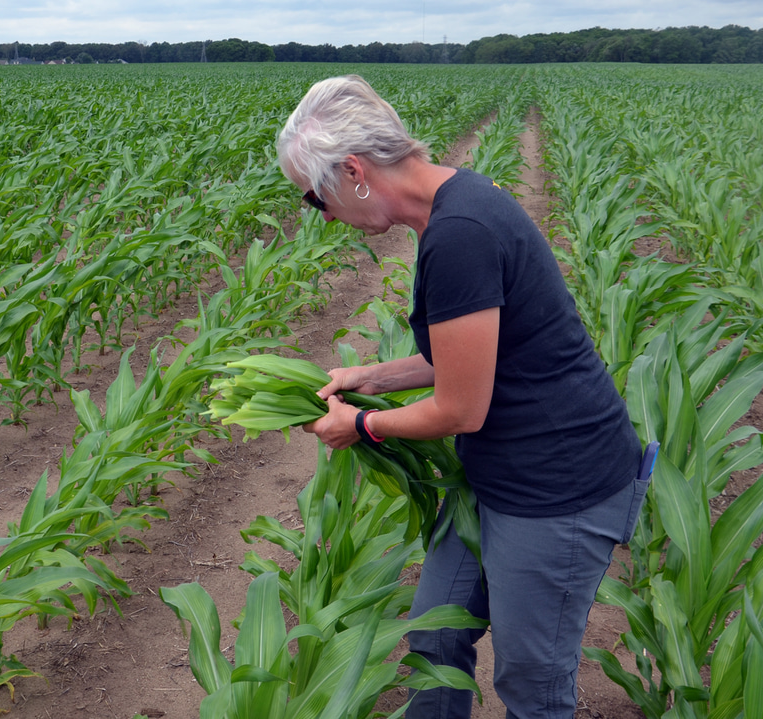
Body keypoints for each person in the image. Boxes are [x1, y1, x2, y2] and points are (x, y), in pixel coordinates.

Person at [278, 75, 648, 719]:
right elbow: (465, 356)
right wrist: (370, 378)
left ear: (354, 172)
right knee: (435, 636)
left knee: (533, 686)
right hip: (496, 473)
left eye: (315, 198)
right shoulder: (455, 204)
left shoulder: (460, 233)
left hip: (555, 487)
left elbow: (459, 409)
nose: (325, 216)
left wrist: (361, 426)